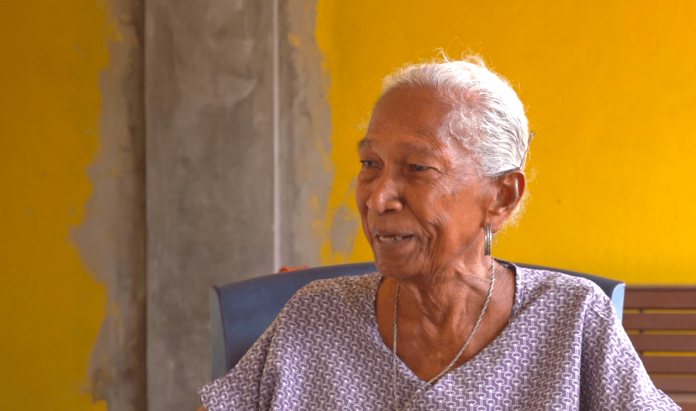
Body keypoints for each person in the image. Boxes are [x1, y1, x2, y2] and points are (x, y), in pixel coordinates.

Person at [196, 55, 679, 410]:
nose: (378, 198)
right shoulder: (316, 316)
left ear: (502, 196)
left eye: (418, 168)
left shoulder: (571, 319)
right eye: (370, 164)